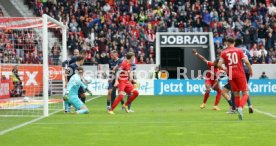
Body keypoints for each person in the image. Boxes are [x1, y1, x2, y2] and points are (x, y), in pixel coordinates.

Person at [218, 37, 253, 120]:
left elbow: (219, 65)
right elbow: (247, 62)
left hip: (230, 74)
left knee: (236, 93)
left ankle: (237, 109)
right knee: (245, 93)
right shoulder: (239, 50)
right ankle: (240, 107)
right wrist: (250, 70)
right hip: (240, 73)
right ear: (234, 43)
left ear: (227, 43)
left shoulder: (223, 52)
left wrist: (225, 69)